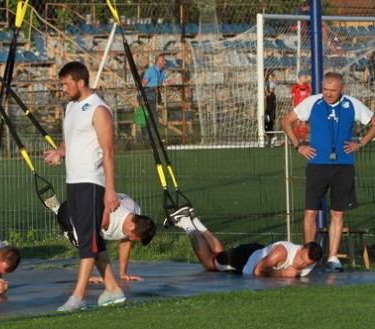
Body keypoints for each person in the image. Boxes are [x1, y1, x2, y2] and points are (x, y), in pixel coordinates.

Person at [43, 61, 124, 312]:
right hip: (73, 180)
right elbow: (70, 141)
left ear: (80, 82)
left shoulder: (99, 109)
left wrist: (110, 189)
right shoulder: (70, 107)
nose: (63, 89)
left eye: (66, 84)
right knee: (89, 237)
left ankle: (77, 297)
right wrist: (59, 152)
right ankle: (112, 288)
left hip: (92, 182)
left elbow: (109, 152)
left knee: (86, 240)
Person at [282, 72, 375, 272]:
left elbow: (374, 124)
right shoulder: (312, 102)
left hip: (343, 165)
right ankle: (309, 257)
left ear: (342, 89)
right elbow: (286, 121)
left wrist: (360, 143)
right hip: (317, 165)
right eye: (325, 89)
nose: (328, 94)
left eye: (333, 90)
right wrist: (299, 146)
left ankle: (332, 257)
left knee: (338, 213)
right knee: (310, 212)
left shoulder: (352, 104)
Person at [169, 206, 323, 277]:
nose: (301, 264)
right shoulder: (282, 252)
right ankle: (186, 222)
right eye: (301, 259)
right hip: (244, 259)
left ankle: (195, 219)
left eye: (306, 264)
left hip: (257, 251)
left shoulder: (311, 260)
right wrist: (283, 273)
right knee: (209, 262)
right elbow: (258, 271)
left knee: (219, 254)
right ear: (301, 248)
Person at [56, 193, 157, 282]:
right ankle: (57, 208)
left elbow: (125, 243)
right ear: (132, 225)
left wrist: (123, 274)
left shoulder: (135, 210)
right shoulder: (108, 218)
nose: (130, 239)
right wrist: (87, 276)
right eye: (133, 237)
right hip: (69, 214)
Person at [291, 70, 312, 142]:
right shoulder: (295, 87)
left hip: (305, 108)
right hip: (298, 107)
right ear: (300, 77)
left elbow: (309, 97)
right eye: (304, 77)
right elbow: (293, 98)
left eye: (306, 77)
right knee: (297, 123)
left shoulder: (307, 87)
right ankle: (296, 139)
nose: (305, 79)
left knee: (304, 123)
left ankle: (303, 139)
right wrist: (293, 107)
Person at [265, 70, 277, 147]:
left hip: (269, 115)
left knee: (266, 127)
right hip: (271, 115)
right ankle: (271, 141)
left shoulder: (271, 96)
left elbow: (269, 106)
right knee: (269, 127)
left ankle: (272, 137)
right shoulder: (273, 95)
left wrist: (266, 112)